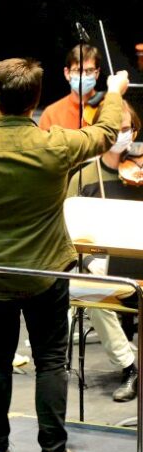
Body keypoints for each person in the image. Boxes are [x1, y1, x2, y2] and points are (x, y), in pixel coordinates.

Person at [0, 57, 129, 452]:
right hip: (45, 274)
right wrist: (115, 93)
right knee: (51, 360)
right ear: (34, 102)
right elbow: (105, 133)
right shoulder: (56, 144)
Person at [65, 100, 142, 402]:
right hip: (103, 263)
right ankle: (130, 365)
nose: (126, 136)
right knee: (87, 290)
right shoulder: (83, 177)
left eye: (130, 130)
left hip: (140, 258)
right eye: (119, 129)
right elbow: (68, 229)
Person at [39, 45, 105, 131]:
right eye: (78, 70)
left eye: (89, 70)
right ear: (67, 73)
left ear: (97, 73)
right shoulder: (51, 114)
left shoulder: (110, 107)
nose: (83, 76)